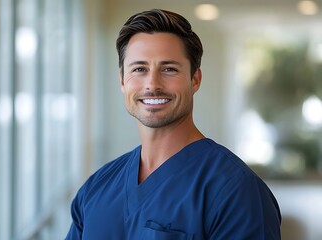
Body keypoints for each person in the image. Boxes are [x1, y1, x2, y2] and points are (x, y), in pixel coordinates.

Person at [66, 8, 281, 239]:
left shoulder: (236, 191)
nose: (152, 84)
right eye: (139, 69)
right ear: (122, 80)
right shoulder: (95, 189)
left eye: (169, 69)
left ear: (195, 79)